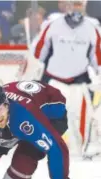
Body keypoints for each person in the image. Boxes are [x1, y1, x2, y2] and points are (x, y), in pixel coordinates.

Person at [31, 0, 101, 157]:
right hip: (54, 79)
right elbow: (38, 52)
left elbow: (97, 56)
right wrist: (33, 69)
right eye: (73, 4)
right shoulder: (53, 23)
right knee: (48, 116)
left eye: (79, 4)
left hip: (80, 80)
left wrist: (98, 75)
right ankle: (39, 146)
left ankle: (82, 150)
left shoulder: (92, 27)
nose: (76, 8)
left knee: (81, 117)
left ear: (84, 6)